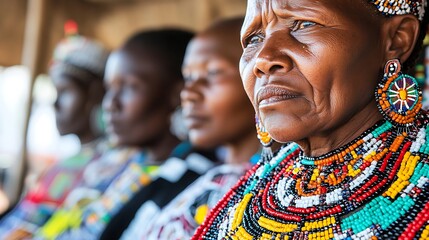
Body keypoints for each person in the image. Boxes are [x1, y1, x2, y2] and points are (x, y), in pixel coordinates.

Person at [193, 0, 429, 239]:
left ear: (397, 39)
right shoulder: (249, 196)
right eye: (254, 39)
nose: (263, 60)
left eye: (303, 24)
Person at [37, 29, 217, 240]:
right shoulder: (112, 166)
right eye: (109, 88)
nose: (110, 104)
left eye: (130, 87)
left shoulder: (197, 181)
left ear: (177, 94)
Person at [103, 16, 261, 240]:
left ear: (264, 74)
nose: (188, 93)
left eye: (213, 73)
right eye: (189, 77)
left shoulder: (271, 193)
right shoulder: (194, 174)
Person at [0, 31, 109, 239]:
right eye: (55, 92)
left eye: (65, 91)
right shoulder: (64, 164)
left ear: (95, 94)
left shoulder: (110, 169)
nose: (55, 104)